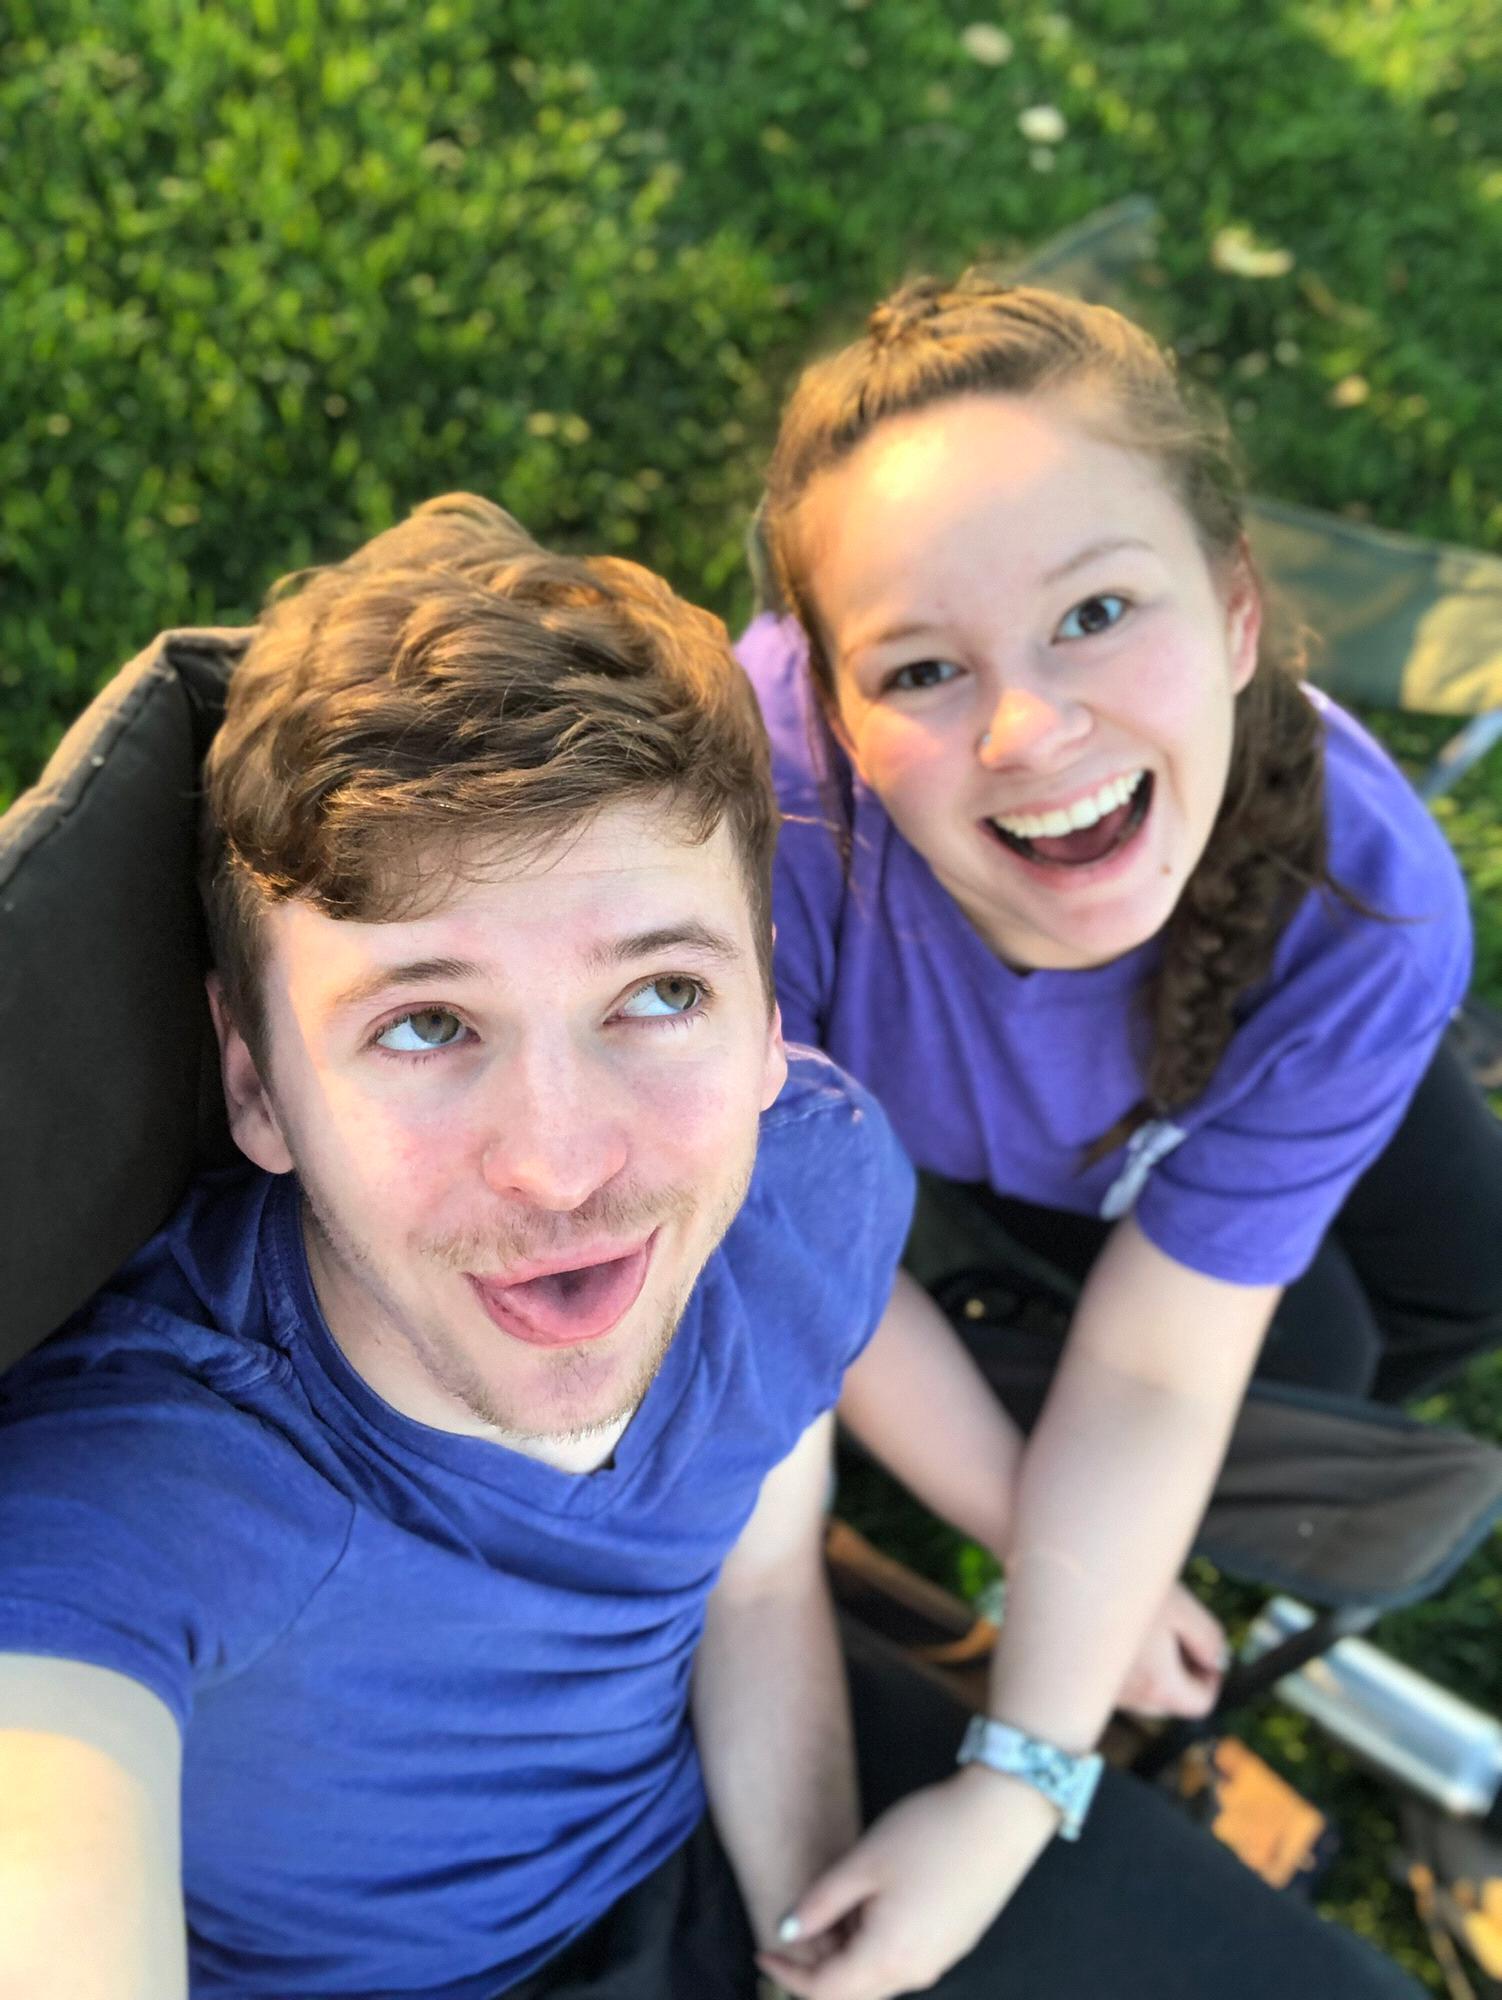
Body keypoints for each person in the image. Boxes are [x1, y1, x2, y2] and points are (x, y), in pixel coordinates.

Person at [0, 494, 1424, 2000]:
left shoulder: (805, 1187)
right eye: (425, 1025)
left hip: (705, 1857)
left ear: (767, 1020)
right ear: (254, 1084)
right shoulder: (142, 1485)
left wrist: (805, 1928)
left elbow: (750, 1567)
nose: (562, 1163)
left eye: (660, 995)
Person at [735, 274, 1502, 1969]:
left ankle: (1255, 1349)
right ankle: (1180, 1463)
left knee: (1455, 1288)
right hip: (986, 1166)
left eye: (1095, 613)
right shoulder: (755, 849)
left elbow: (1158, 1368)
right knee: (1296, 1379)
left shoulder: (1371, 901)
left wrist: (1058, 1649)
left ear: (1236, 617)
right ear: (840, 719)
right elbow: (800, 1266)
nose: (1029, 730)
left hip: (1298, 982)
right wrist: (1038, 1667)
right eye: (923, 668)